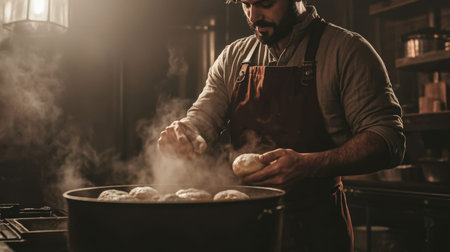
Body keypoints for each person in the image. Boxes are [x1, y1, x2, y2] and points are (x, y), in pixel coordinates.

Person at [158, 0, 405, 251]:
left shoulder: (348, 51)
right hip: (245, 230)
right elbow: (201, 119)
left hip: (316, 231)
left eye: (264, 3)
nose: (254, 16)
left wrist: (309, 165)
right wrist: (184, 134)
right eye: (245, 4)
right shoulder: (233, 57)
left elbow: (388, 140)